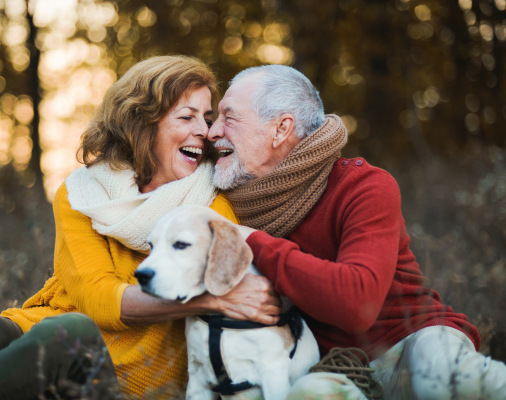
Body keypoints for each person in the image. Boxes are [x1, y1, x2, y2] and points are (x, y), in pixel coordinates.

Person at [0, 56, 280, 400]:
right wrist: (209, 300)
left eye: (207, 116)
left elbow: (231, 282)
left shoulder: (212, 208)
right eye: (187, 117)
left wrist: (216, 298)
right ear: (143, 121)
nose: (206, 130)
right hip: (46, 328)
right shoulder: (82, 193)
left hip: (122, 375)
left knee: (71, 334)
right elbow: (96, 296)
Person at [207, 64, 506, 399]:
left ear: (281, 129)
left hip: (413, 341)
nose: (212, 132)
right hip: (337, 367)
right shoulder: (222, 205)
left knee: (444, 378)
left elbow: (357, 303)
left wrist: (250, 240)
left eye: (228, 117)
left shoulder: (363, 185)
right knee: (309, 395)